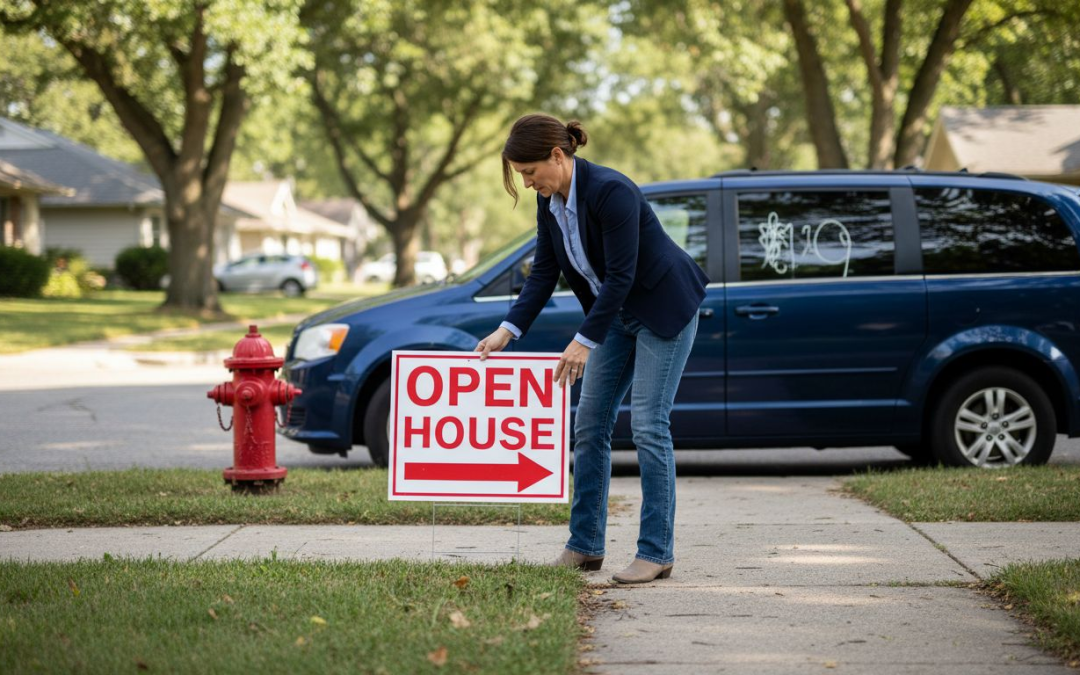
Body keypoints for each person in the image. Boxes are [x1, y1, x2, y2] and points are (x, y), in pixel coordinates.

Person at [475, 113, 709, 584]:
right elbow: (543, 273)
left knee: (648, 425)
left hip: (664, 308)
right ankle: (585, 546)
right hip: (616, 314)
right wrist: (508, 330)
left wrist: (583, 341)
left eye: (530, 172)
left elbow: (622, 274)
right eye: (521, 174)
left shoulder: (611, 191)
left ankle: (656, 552)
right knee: (588, 426)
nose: (527, 181)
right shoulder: (550, 202)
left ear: (558, 156)